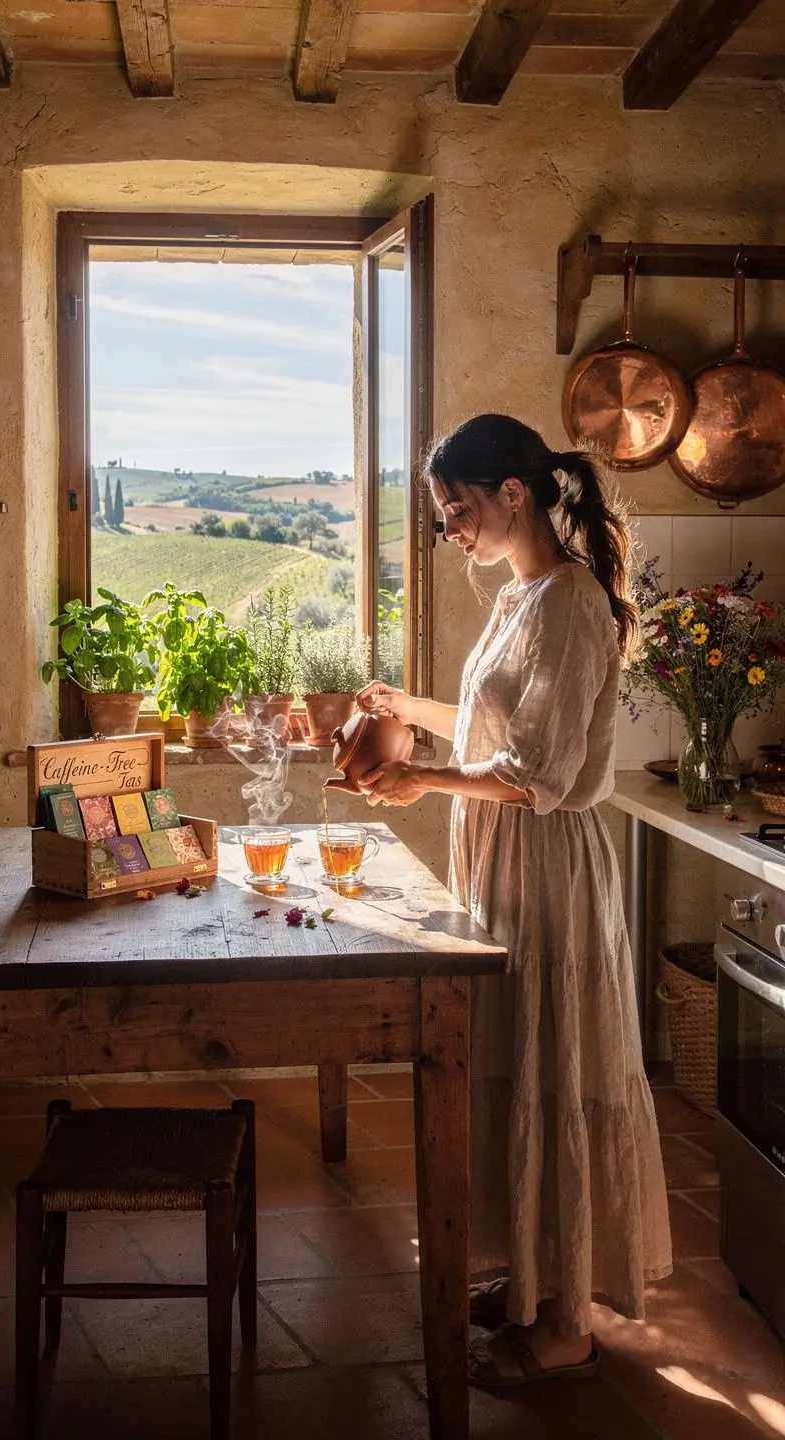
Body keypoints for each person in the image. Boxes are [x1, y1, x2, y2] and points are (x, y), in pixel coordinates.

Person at [356, 413, 671, 1390]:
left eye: (455, 511)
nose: (450, 531)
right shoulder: (519, 595)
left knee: (556, 1065)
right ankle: (536, 1278)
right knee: (515, 1058)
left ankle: (568, 1322)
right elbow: (495, 726)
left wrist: (422, 780)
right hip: (501, 859)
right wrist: (404, 709)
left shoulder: (572, 603)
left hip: (546, 867)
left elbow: (539, 775)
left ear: (513, 494)